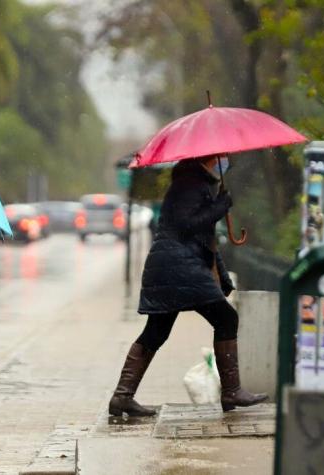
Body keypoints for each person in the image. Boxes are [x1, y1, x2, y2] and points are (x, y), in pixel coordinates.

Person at [108, 156, 268, 417]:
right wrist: (220, 207)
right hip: (179, 267)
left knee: (156, 332)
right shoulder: (190, 184)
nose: (223, 163)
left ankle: (122, 397)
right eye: (219, 159)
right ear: (207, 159)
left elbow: (203, 241)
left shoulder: (194, 183)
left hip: (173, 267)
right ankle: (232, 391)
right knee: (226, 319)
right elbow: (187, 226)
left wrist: (223, 278)